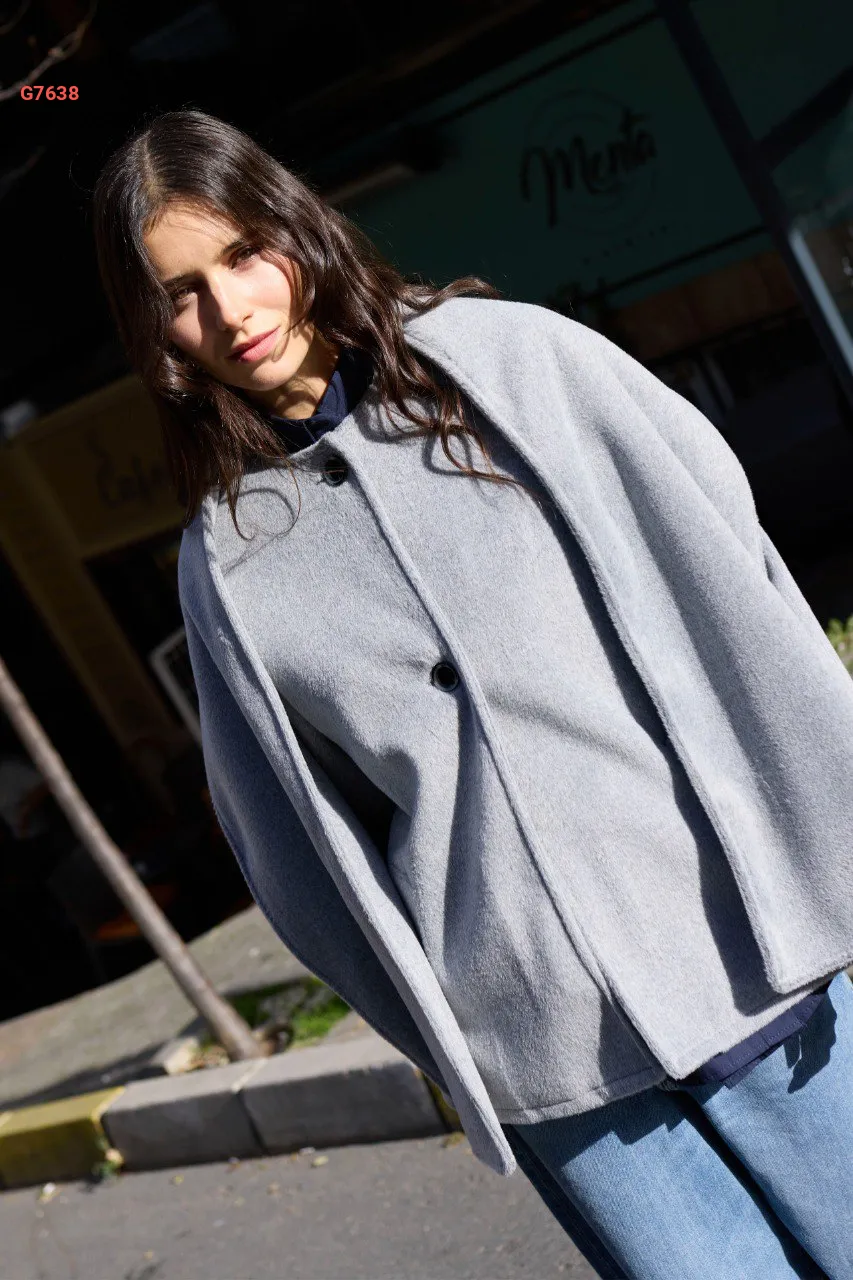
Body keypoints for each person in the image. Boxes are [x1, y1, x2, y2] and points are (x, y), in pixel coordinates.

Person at [91, 109, 853, 1278]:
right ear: (154, 331)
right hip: (549, 1051)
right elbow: (297, 859)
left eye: (243, 254)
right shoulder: (229, 564)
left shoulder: (515, 365)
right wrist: (459, 1035)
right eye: (180, 293)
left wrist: (817, 861)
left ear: (294, 226)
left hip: (741, 955)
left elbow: (731, 590)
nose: (231, 309)